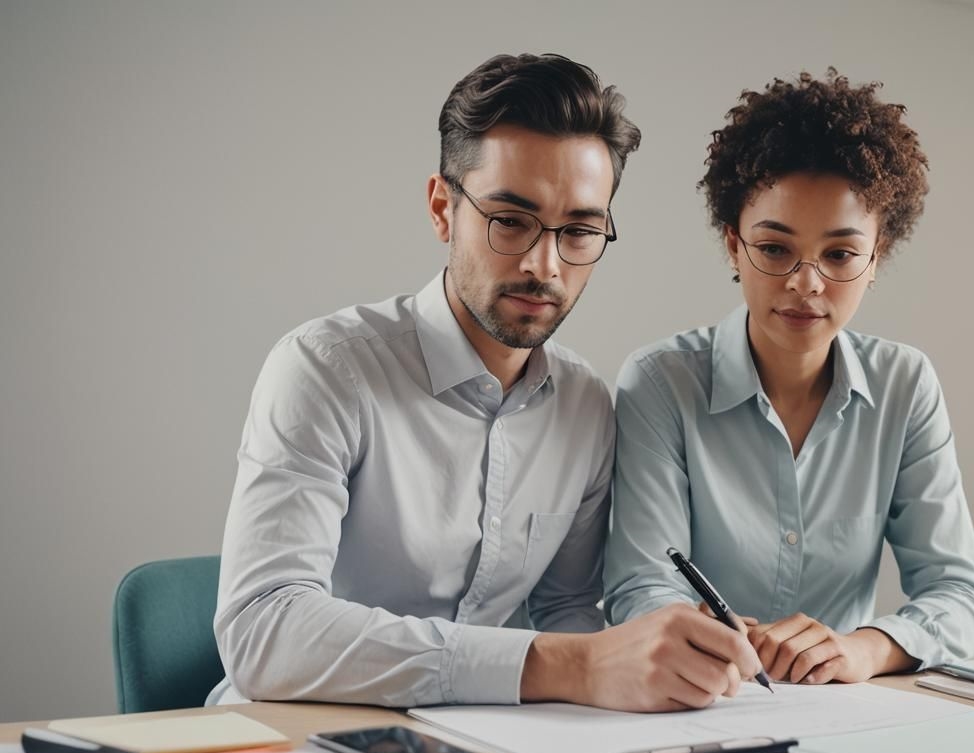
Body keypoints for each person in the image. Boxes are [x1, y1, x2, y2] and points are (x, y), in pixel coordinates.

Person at [210, 53, 761, 713]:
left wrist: (666, 657)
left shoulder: (585, 407)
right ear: (443, 208)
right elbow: (263, 630)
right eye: (510, 221)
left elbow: (565, 612)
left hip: (485, 738)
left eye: (580, 231)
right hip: (302, 735)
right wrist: (564, 663)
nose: (543, 264)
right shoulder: (325, 368)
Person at [604, 70, 974, 686]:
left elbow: (959, 595)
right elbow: (638, 585)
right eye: (775, 248)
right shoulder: (660, 383)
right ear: (734, 246)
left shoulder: (905, 385)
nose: (805, 284)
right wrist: (705, 635)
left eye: (839, 255)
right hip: (705, 704)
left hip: (845, 713)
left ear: (876, 260)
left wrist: (863, 650)